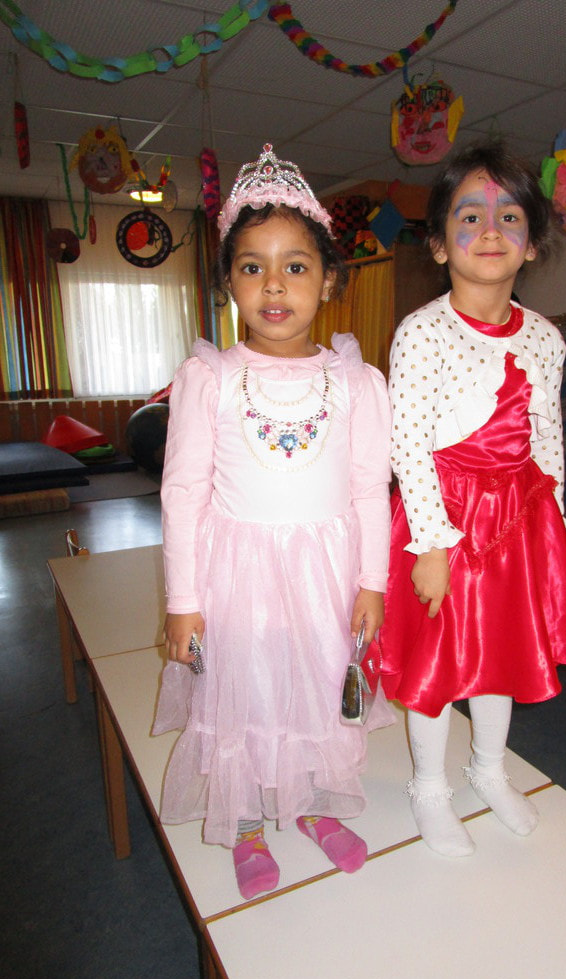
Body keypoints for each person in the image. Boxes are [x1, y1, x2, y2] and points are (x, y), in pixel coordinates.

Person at [152, 144, 394, 899]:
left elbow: (369, 489)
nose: (275, 284)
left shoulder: (357, 381)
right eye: (253, 266)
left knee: (318, 685)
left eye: (296, 265)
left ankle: (312, 802)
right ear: (229, 281)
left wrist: (374, 581)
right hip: (238, 578)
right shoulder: (210, 377)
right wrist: (182, 601)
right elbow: (182, 493)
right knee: (247, 692)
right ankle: (249, 821)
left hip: (326, 577)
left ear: (329, 279)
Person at [380, 142, 566, 857]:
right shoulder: (422, 332)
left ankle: (488, 768)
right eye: (469, 216)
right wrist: (431, 545)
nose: (489, 230)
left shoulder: (544, 336)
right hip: (442, 517)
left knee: (500, 649)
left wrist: (554, 523)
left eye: (509, 217)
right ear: (439, 243)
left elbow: (546, 432)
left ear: (531, 244)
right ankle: (429, 787)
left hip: (515, 519)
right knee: (439, 660)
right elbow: (409, 446)